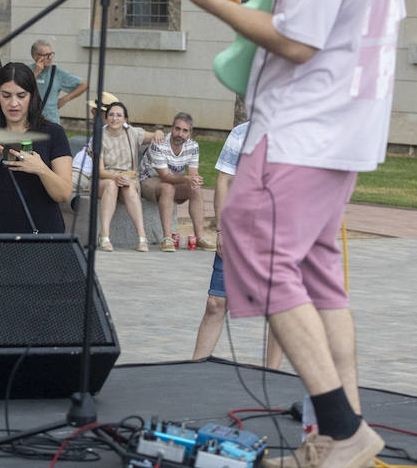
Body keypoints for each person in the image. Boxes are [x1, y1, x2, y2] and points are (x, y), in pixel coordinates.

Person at [180, 0, 405, 468]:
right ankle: (334, 434)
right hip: (342, 133)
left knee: (258, 249)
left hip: (302, 130)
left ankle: (342, 430)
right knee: (315, 276)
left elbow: (298, 42)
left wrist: (213, 4)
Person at [190, 121, 282, 369]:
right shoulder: (241, 133)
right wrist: (220, 228)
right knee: (216, 303)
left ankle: (272, 374)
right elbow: (224, 181)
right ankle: (195, 370)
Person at [0, 63, 73, 233]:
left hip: (41, 237)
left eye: (21, 95)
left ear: (32, 96)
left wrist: (41, 169)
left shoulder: (53, 133)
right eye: (6, 95)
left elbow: (64, 194)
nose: (13, 103)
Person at [140, 112, 214, 251]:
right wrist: (187, 179)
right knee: (168, 188)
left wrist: (195, 180)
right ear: (171, 128)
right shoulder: (159, 144)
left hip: (173, 181)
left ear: (190, 133)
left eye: (185, 131)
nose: (180, 134)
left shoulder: (193, 146)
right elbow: (165, 177)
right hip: (148, 181)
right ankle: (167, 239)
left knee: (195, 189)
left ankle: (200, 238)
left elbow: (193, 173)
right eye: (177, 129)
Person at [95, 100, 161, 252]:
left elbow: (155, 135)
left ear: (125, 119)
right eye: (111, 115)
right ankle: (104, 236)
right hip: (105, 180)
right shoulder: (100, 137)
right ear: (106, 118)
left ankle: (142, 237)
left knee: (129, 187)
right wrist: (115, 178)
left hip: (128, 179)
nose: (115, 118)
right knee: (112, 185)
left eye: (119, 115)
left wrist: (159, 132)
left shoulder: (132, 133)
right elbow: (99, 171)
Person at [30, 40, 86, 125]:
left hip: (51, 122)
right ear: (35, 56)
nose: (50, 58)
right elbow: (19, 89)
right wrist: (36, 73)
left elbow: (84, 85)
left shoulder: (57, 72)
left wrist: (65, 99)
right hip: (29, 121)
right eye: (46, 55)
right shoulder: (26, 70)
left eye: (51, 54)